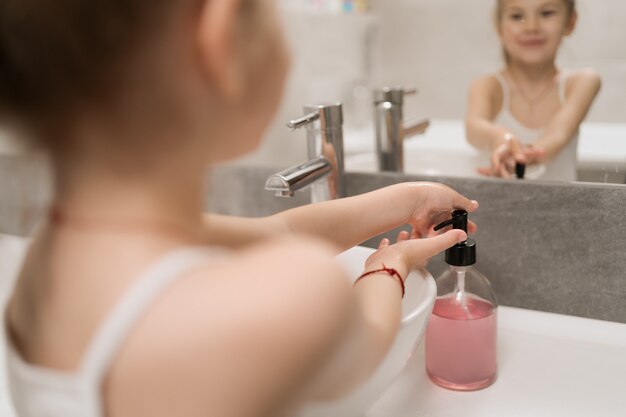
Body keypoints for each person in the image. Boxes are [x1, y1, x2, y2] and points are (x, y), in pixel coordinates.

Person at [0, 1, 478, 416]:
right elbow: (369, 341)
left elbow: (282, 233)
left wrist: (408, 198)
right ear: (221, 34)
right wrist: (389, 264)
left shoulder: (49, 254)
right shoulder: (291, 298)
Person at [466, 0, 601, 180]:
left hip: (563, 206)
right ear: (499, 27)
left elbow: (557, 135)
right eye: (517, 16)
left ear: (570, 21)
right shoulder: (488, 86)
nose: (531, 26)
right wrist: (500, 138)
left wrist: (520, 157)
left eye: (546, 13)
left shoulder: (581, 83)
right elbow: (474, 128)